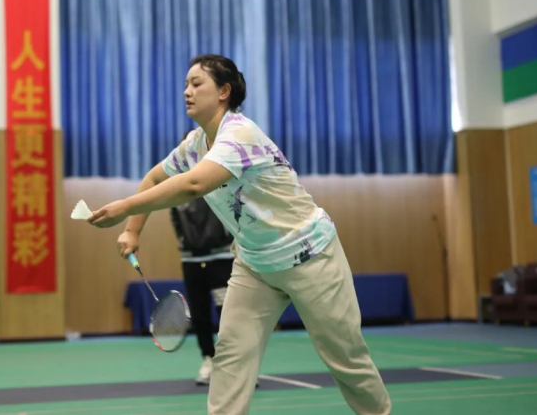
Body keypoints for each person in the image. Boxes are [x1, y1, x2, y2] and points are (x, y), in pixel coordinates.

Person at [87, 54, 391, 415]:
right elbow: (156, 177)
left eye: (196, 84)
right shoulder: (195, 145)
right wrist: (132, 229)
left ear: (224, 91)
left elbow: (194, 184)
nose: (186, 91)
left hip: (309, 255)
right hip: (255, 264)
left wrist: (125, 207)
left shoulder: (239, 134)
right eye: (185, 85)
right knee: (231, 354)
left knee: (345, 356)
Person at [170, 193, 234, 385]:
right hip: (191, 260)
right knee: (200, 315)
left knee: (228, 314)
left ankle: (235, 364)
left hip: (222, 258)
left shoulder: (216, 181)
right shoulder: (177, 187)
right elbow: (175, 219)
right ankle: (208, 359)